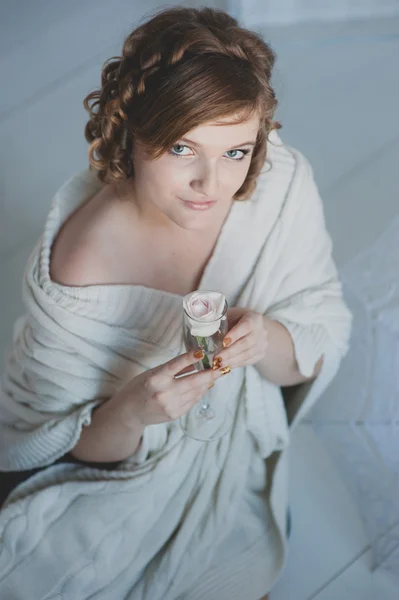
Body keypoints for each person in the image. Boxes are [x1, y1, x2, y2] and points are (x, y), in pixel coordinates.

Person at [0, 6, 352, 600]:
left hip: (232, 463)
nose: (211, 185)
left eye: (236, 152)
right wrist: (133, 410)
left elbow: (317, 338)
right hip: (129, 478)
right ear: (130, 132)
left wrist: (266, 339)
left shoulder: (281, 187)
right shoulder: (82, 269)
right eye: (183, 149)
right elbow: (48, 447)